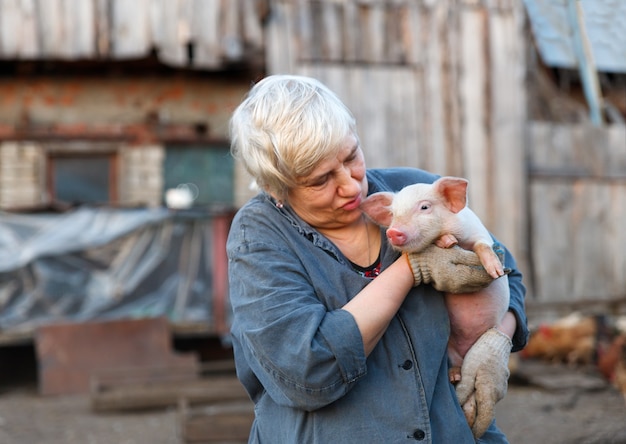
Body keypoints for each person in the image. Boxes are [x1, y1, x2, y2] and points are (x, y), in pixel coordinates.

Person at [226, 74, 528, 443]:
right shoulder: (258, 236)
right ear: (277, 188)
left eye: (351, 156)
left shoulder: (412, 190)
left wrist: (495, 343)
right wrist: (411, 267)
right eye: (320, 181)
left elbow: (504, 272)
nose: (352, 185)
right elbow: (307, 369)